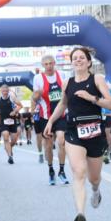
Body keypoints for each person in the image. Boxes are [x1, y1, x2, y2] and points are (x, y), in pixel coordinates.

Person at [44, 47, 111, 221]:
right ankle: (80, 214)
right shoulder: (67, 82)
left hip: (95, 132)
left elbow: (110, 103)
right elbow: (63, 104)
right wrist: (50, 121)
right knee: (78, 172)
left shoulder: (97, 79)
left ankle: (96, 191)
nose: (78, 60)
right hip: (74, 131)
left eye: (81, 57)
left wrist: (91, 98)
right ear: (71, 63)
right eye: (75, 58)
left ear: (89, 62)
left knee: (94, 178)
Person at [33, 55, 70, 186]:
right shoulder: (38, 78)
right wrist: (37, 94)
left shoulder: (63, 75)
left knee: (61, 140)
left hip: (61, 115)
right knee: (48, 145)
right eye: (46, 64)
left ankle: (62, 170)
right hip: (45, 116)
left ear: (54, 63)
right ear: (43, 65)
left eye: (50, 63)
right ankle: (51, 170)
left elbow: (68, 93)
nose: (49, 66)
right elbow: (34, 98)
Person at [0, 84, 22, 164]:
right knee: (6, 136)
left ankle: (8, 147)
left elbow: (20, 105)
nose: (5, 92)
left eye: (6, 91)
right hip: (3, 121)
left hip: (12, 121)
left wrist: (15, 111)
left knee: (14, 140)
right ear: (1, 91)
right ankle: (10, 156)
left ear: (8, 91)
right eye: (3, 91)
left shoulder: (12, 97)